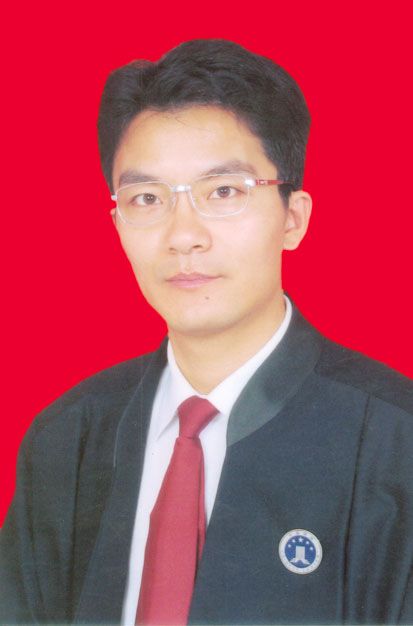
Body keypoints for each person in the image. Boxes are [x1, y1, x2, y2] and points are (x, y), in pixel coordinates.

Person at [1, 39, 412, 626]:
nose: (183, 235)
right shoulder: (66, 439)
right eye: (147, 198)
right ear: (117, 224)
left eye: (223, 192)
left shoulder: (396, 444)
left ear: (293, 218)